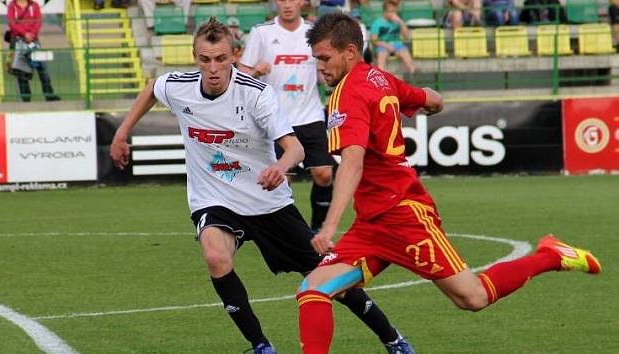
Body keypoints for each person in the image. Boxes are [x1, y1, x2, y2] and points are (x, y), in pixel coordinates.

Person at [296, 13, 602, 354]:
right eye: (316, 59)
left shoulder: (347, 95)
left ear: (350, 51)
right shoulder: (378, 77)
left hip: (404, 216)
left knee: (472, 297)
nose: (319, 67)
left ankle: (551, 255)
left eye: (324, 58)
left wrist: (329, 226)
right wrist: (433, 104)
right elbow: (430, 98)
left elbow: (353, 161)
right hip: (373, 224)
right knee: (314, 288)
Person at [110, 18, 414, 354]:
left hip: (268, 202)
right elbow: (152, 87)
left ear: (235, 56)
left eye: (221, 59)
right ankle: (260, 345)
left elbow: (295, 147)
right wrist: (122, 134)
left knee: (330, 278)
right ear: (194, 57)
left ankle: (392, 338)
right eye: (205, 59)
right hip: (214, 198)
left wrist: (280, 167)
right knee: (215, 257)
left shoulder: (256, 94)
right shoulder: (178, 86)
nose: (213, 68)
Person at [239, 0, 334, 233]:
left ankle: (318, 229)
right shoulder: (261, 32)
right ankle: (294, 233)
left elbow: (325, 70)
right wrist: (256, 71)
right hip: (276, 120)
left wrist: (329, 80)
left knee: (324, 175)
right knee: (283, 182)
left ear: (302, 2)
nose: (287, 4)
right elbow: (241, 76)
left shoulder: (315, 32)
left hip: (311, 115)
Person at [6, 0, 60, 102]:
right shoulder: (12, 6)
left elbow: (38, 21)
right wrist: (24, 33)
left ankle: (49, 94)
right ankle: (25, 97)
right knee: (20, 69)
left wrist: (32, 34)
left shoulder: (34, 5)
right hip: (18, 40)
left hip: (34, 41)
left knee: (42, 67)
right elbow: (11, 23)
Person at [369, 0, 415, 74]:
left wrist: (401, 22)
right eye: (391, 11)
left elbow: (407, 36)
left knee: (409, 62)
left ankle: (413, 79)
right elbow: (374, 40)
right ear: (385, 12)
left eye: (395, 11)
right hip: (383, 45)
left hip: (397, 45)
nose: (394, 14)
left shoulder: (397, 22)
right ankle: (385, 78)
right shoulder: (377, 23)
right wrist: (387, 45)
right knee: (381, 63)